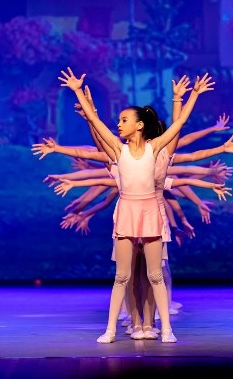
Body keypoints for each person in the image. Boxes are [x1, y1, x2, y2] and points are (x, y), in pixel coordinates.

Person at [57, 66, 214, 343]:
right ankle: (109, 330)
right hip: (128, 211)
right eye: (118, 120)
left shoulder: (156, 149)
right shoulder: (119, 150)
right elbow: (94, 119)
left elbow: (179, 126)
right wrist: (78, 91)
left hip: (150, 211)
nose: (119, 124)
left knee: (155, 275)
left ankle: (165, 328)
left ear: (139, 125)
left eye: (125, 119)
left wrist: (191, 96)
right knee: (122, 276)